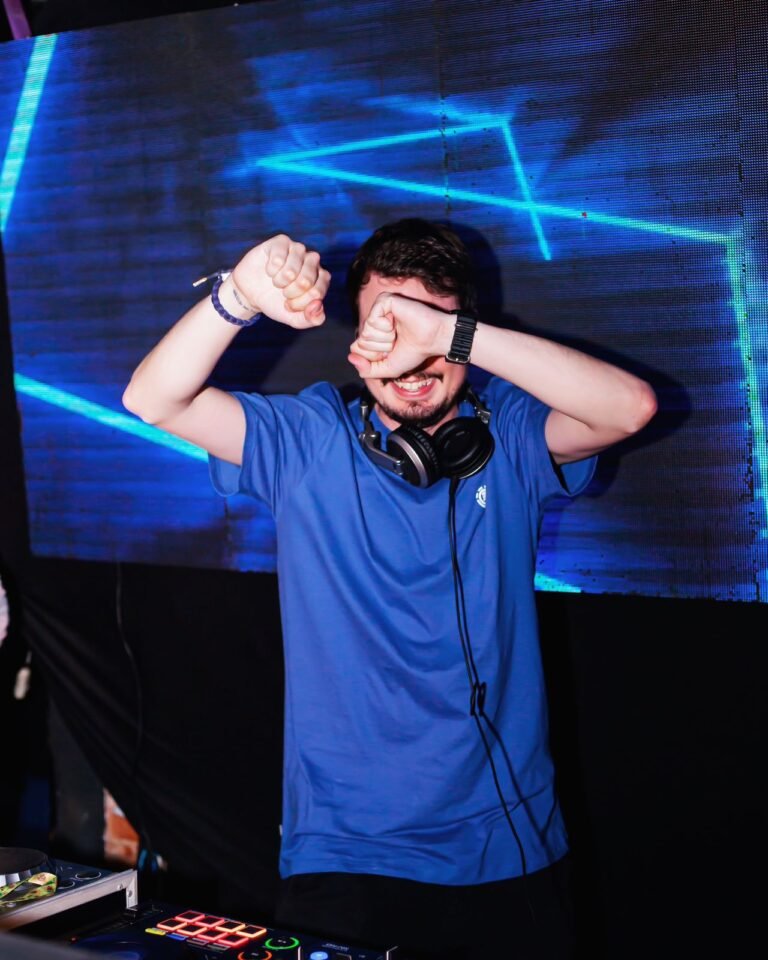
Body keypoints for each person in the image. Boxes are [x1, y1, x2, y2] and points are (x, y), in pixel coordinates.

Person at [124, 220, 656, 959]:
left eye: (428, 328)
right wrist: (238, 295)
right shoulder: (307, 440)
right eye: (387, 327)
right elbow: (154, 400)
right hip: (345, 856)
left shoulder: (509, 437)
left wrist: (448, 335)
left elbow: (629, 408)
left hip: (510, 850)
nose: (410, 357)